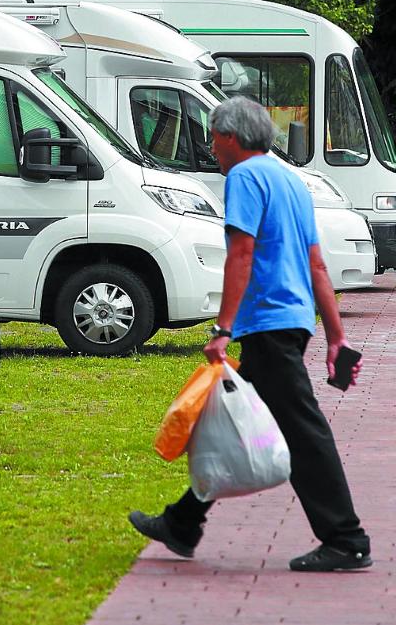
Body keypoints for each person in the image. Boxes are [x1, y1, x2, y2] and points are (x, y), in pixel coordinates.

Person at [129, 96, 372, 572]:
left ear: (233, 137)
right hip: (292, 322)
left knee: (304, 432)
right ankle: (183, 522)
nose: (211, 147)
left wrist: (222, 328)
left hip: (268, 323)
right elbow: (317, 264)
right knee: (231, 422)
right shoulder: (291, 180)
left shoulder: (244, 176)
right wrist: (335, 336)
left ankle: (347, 539)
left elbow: (241, 253)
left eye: (215, 137)